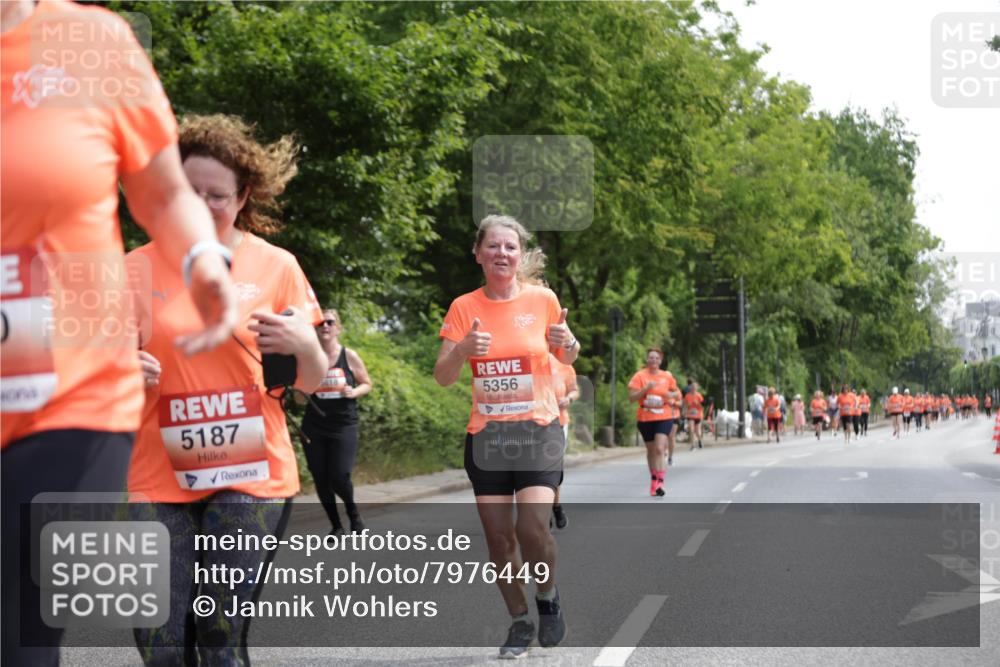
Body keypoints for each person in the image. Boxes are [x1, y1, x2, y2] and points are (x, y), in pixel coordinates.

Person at [1, 3, 237, 664]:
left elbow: (162, 194)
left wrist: (202, 261)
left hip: (66, 392)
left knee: (18, 631)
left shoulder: (91, 40)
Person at [127, 114, 327, 665]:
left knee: (218, 640)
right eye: (188, 192)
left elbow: (311, 381)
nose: (201, 205)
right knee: (161, 646)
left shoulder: (276, 266)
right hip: (154, 476)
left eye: (216, 195)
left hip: (251, 475)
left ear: (242, 198)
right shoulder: (131, 270)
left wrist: (304, 345)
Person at [434, 215, 577, 659]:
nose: (502, 253)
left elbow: (566, 354)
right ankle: (518, 621)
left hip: (538, 431)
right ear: (478, 253)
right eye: (493, 246)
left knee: (532, 528)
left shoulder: (544, 299)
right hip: (488, 438)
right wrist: (460, 350)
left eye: (510, 247)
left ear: (520, 255)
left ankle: (547, 596)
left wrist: (569, 342)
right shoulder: (463, 308)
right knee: (499, 540)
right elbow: (442, 376)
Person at [302, 308, 373, 536]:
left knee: (339, 475)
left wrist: (353, 392)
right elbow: (296, 396)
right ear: (315, 328)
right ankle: (336, 526)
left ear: (338, 328)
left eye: (330, 322)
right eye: (320, 322)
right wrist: (305, 388)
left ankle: (353, 514)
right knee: (320, 478)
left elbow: (367, 383)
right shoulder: (308, 358)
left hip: (344, 424)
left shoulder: (349, 356)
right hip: (314, 426)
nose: (325, 326)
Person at [629, 348, 679, 497]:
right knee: (651, 451)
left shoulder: (666, 376)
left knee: (659, 448)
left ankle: (660, 482)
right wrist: (645, 388)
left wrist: (671, 395)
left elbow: (677, 393)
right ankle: (654, 480)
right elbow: (631, 398)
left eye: (656, 358)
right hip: (645, 417)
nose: (654, 360)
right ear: (647, 359)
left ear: (660, 361)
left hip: (664, 416)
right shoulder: (639, 376)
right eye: (651, 358)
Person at [550, 354, 579, 530]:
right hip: (530, 424)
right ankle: (544, 511)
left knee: (553, 468)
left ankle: (556, 507)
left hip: (558, 422)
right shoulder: (527, 360)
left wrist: (568, 399)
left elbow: (574, 390)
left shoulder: (565, 365)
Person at [683, 381, 705, 450]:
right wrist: (687, 407)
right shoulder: (687, 396)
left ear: (697, 388)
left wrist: (697, 403)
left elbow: (703, 406)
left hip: (698, 415)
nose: (693, 388)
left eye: (694, 387)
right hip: (690, 415)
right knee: (691, 429)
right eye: (692, 387)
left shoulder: (699, 396)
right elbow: (685, 406)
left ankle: (699, 441)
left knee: (697, 431)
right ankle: (692, 445)